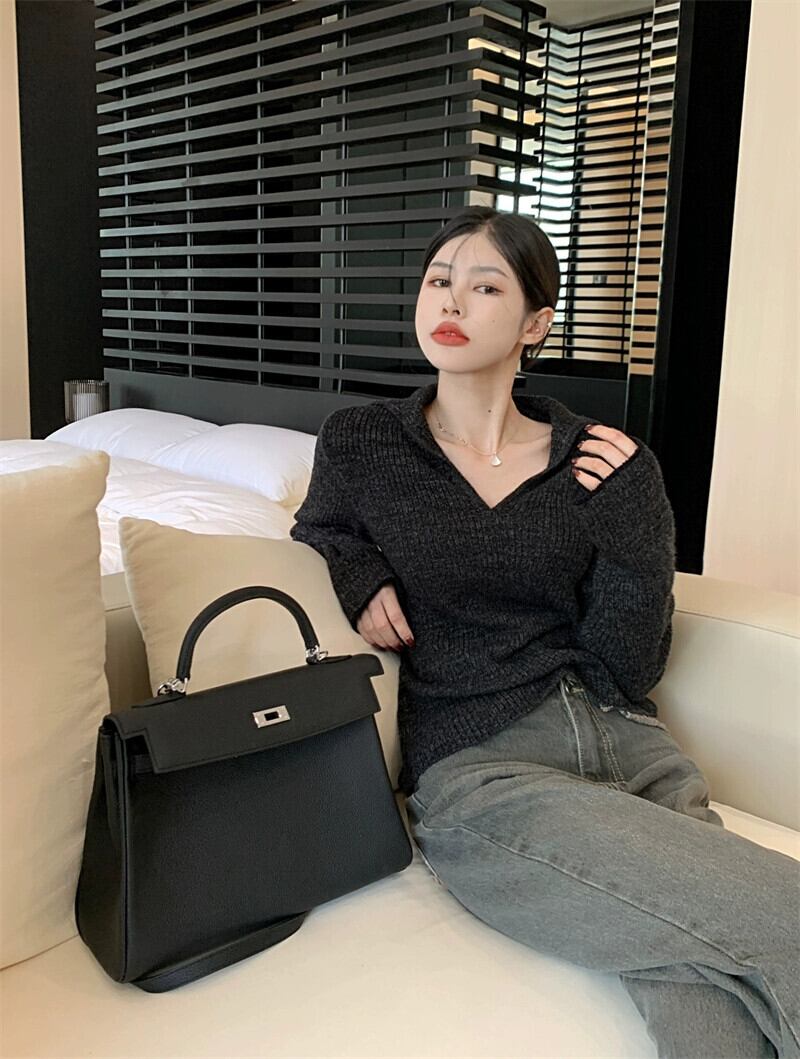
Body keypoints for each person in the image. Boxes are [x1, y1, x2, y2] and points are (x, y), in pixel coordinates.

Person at [290, 206, 800, 1057]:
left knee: (712, 993)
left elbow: (630, 664)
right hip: (485, 767)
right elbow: (320, 528)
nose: (451, 300)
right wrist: (356, 570)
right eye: (439, 279)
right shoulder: (363, 442)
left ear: (535, 323)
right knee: (785, 922)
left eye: (485, 286)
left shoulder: (599, 463)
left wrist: (640, 524)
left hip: (634, 750)